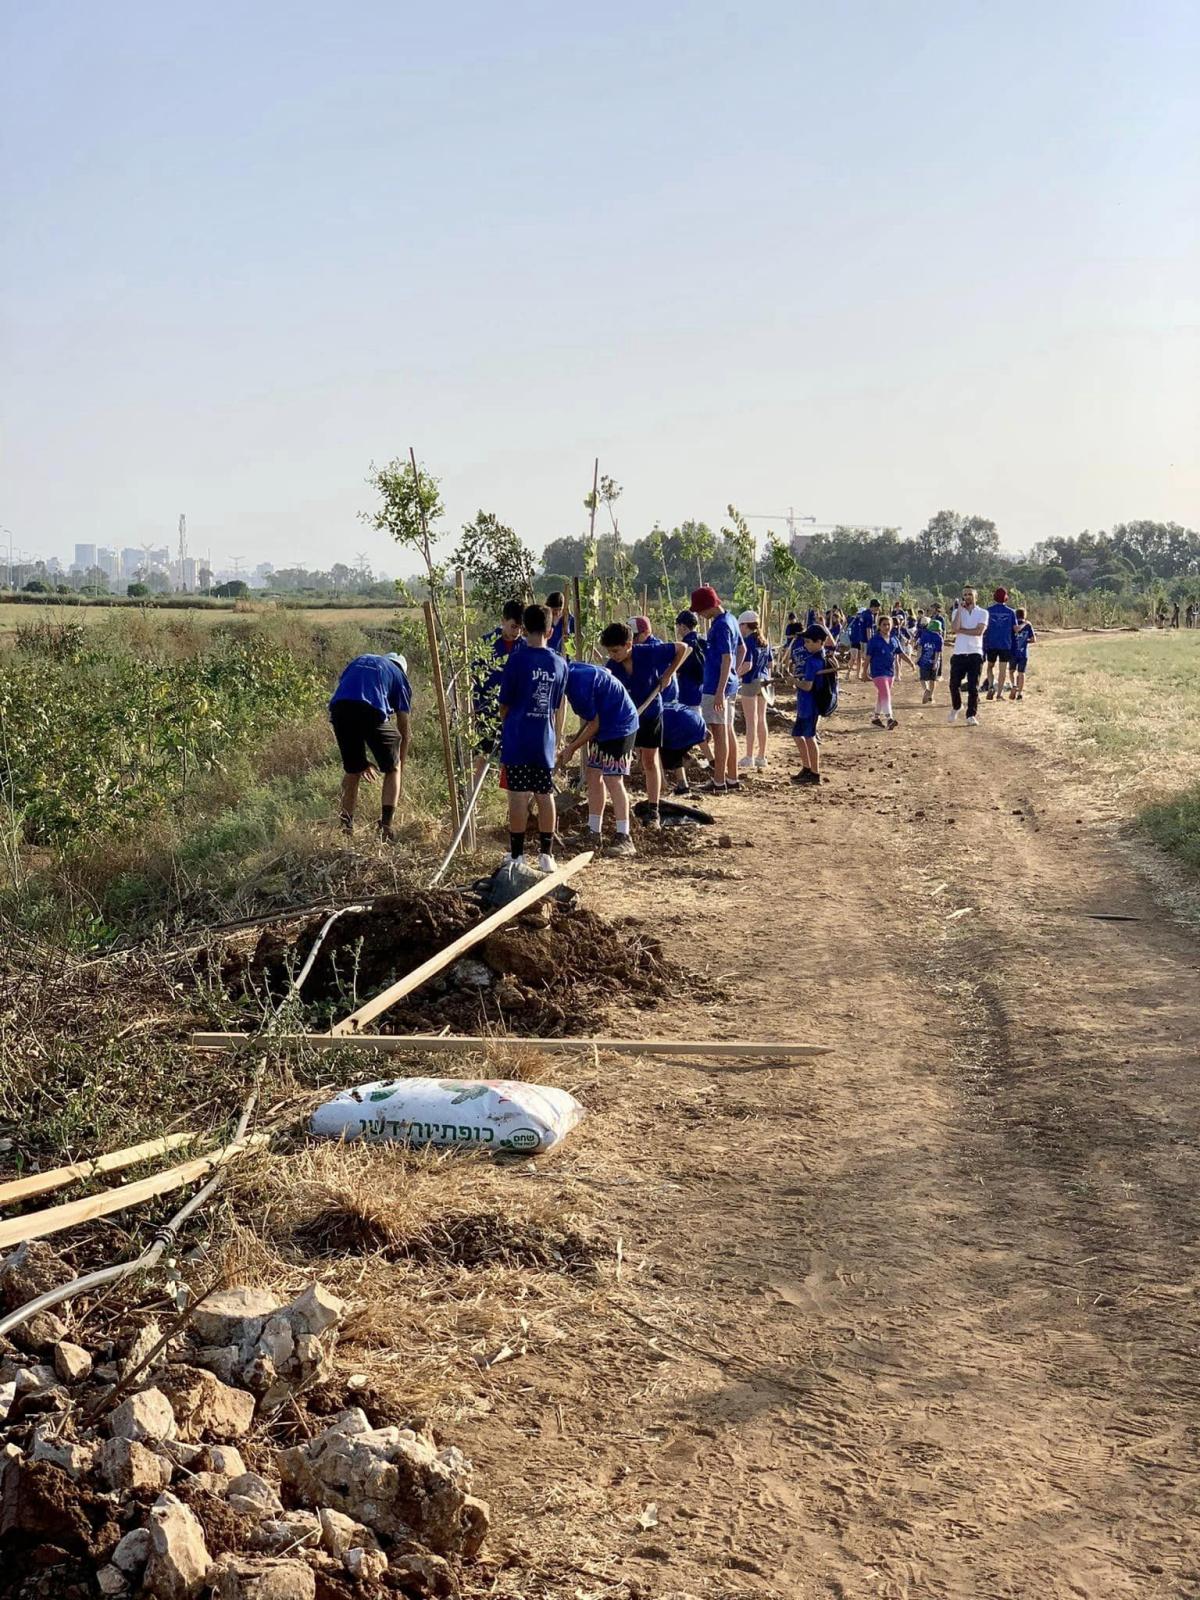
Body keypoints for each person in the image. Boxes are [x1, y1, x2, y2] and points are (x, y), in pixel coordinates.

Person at [498, 604, 569, 871]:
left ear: (524, 628)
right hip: (544, 739)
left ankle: (517, 856)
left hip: (517, 737)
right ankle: (546, 855)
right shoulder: (560, 663)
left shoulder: (516, 660)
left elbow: (504, 703)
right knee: (544, 793)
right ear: (550, 630)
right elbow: (557, 704)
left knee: (517, 795)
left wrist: (509, 723)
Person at [600, 620, 689, 828]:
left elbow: (682, 648)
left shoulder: (649, 653)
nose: (613, 655)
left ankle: (653, 809)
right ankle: (618, 812)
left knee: (649, 760)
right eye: (610, 652)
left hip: (650, 714)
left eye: (616, 650)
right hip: (627, 719)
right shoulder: (611, 667)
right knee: (618, 766)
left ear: (629, 644)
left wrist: (668, 674)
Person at [329, 652, 413, 841]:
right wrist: (399, 764)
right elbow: (404, 731)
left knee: (353, 770)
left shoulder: (361, 660)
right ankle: (386, 828)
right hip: (369, 710)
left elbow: (348, 692)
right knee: (394, 767)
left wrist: (362, 761)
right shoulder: (400, 677)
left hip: (339, 710)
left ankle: (346, 829)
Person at [559, 660, 639, 857]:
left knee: (613, 779)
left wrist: (572, 748)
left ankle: (624, 837)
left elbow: (593, 724)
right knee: (593, 775)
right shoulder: (573, 669)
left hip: (621, 724)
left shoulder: (577, 687)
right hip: (605, 723)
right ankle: (593, 831)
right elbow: (606, 671)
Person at [692, 585, 741, 793]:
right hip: (728, 683)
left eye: (700, 610)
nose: (699, 615)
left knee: (719, 734)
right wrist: (734, 675)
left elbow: (728, 657)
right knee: (728, 731)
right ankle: (732, 777)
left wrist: (720, 690)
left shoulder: (721, 626)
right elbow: (742, 648)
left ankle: (719, 781)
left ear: (709, 606)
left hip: (716, 687)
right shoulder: (731, 619)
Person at [471, 600, 524, 781]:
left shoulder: (525, 647)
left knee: (510, 758)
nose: (516, 631)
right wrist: (474, 708)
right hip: (487, 709)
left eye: (520, 628)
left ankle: (510, 798)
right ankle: (473, 798)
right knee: (482, 754)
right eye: (513, 626)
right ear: (503, 621)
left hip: (514, 712)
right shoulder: (486, 644)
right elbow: (472, 677)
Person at [791, 624, 838, 785]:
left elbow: (807, 686)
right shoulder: (824, 658)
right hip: (806, 705)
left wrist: (794, 681)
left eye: (809, 642)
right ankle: (806, 768)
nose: (806, 645)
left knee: (809, 737)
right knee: (798, 735)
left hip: (809, 705)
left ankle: (814, 772)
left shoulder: (813, 662)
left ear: (819, 642)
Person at [736, 610, 772, 771]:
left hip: (750, 681)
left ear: (745, 625)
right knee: (761, 719)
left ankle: (749, 756)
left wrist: (734, 675)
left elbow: (747, 665)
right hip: (765, 681)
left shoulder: (748, 642)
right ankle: (761, 757)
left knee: (751, 721)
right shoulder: (764, 642)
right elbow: (771, 664)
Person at [947, 585, 988, 725]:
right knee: (953, 684)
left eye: (970, 594)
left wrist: (961, 630)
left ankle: (971, 715)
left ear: (976, 596)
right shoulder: (957, 612)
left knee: (973, 686)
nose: (967, 597)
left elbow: (979, 631)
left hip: (975, 653)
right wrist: (959, 609)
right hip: (959, 652)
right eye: (965, 594)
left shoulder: (983, 613)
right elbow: (954, 628)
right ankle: (957, 706)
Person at [865, 614, 903, 729]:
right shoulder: (874, 641)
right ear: (879, 626)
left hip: (890, 672)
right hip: (878, 672)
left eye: (888, 624)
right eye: (884, 624)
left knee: (882, 695)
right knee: (886, 694)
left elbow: (900, 653)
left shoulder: (894, 639)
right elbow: (868, 657)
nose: (886, 627)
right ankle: (889, 718)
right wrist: (864, 672)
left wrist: (911, 662)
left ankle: (876, 718)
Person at [983, 587, 1019, 700]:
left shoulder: (988, 611)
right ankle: (999, 694)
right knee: (1002, 670)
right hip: (1005, 644)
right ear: (1006, 598)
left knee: (990, 666)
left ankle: (990, 686)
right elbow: (1015, 629)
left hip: (991, 643)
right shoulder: (1011, 612)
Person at [915, 616, 944, 704]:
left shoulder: (924, 635)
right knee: (933, 679)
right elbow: (937, 652)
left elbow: (920, 647)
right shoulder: (939, 638)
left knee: (922, 679)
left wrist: (918, 658)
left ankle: (926, 690)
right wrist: (935, 663)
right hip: (934, 661)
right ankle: (931, 695)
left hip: (924, 660)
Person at [1009, 609, 1036, 699]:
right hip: (1023, 653)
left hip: (1013, 652)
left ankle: (1013, 685)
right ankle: (1020, 693)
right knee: (1021, 673)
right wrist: (1025, 640)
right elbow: (1033, 639)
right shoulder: (1028, 625)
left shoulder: (1013, 624)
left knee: (1011, 671)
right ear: (1024, 615)